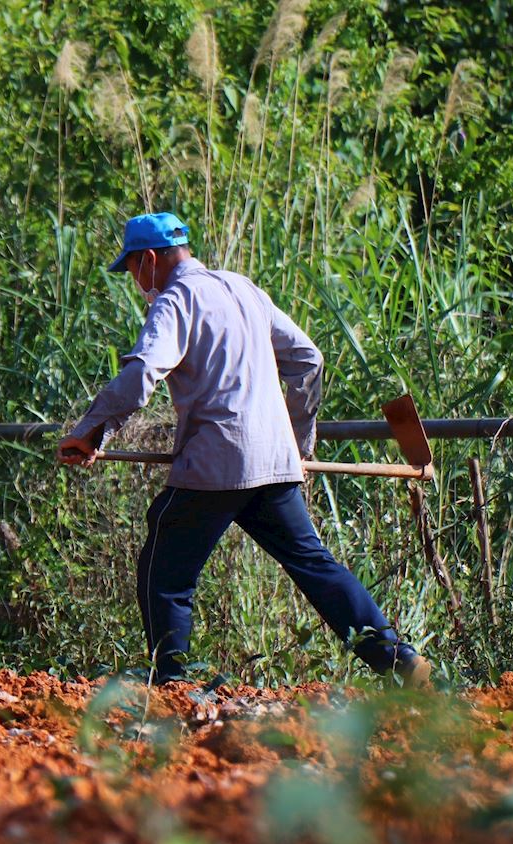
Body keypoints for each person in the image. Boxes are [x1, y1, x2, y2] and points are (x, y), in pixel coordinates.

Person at [58, 211, 431, 688]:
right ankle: (400, 660)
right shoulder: (243, 288)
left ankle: (170, 684)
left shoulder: (176, 301)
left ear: (149, 259)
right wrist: (296, 443)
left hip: (217, 461)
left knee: (165, 571)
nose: (136, 282)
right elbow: (307, 359)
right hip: (274, 464)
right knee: (315, 566)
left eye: (132, 270)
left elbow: (142, 373)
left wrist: (91, 432)